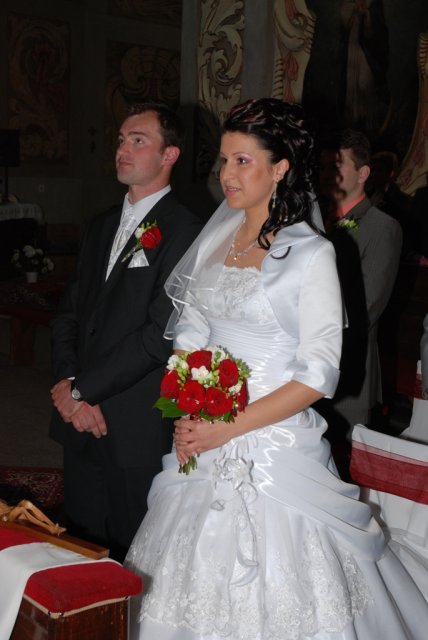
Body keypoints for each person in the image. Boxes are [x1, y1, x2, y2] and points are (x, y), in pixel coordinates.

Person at [125, 98, 428, 639]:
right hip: (206, 431)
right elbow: (191, 332)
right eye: (224, 160)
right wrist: (190, 410)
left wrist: (228, 427)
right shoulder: (214, 240)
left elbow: (319, 375)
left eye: (243, 161)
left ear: (281, 168)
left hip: (273, 443)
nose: (227, 174)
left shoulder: (310, 253)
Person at [50, 101, 202, 561]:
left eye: (138, 140)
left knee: (132, 553)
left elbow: (159, 335)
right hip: (80, 416)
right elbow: (70, 313)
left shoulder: (186, 230)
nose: (123, 149)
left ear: (169, 154)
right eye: (120, 140)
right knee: (78, 544)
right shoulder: (100, 225)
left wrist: (84, 390)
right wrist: (68, 383)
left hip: (133, 421)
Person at [316, 129, 402, 477]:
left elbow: (367, 306)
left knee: (343, 471)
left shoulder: (382, 227)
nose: (327, 174)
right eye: (324, 166)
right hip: (306, 370)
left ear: (363, 173)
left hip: (349, 370)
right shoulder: (312, 220)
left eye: (337, 165)